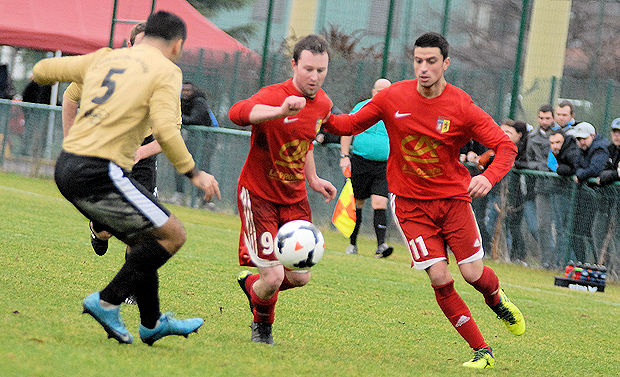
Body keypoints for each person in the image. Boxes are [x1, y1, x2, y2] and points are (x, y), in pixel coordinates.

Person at [323, 32, 524, 369]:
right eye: (418, 61)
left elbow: (506, 147)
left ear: (446, 63)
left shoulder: (461, 105)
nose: (423, 68)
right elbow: (348, 124)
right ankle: (482, 351)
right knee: (440, 278)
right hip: (410, 205)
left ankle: (495, 298)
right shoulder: (392, 97)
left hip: (453, 202)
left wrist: (487, 177)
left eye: (431, 61)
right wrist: (315, 106)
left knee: (473, 274)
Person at [32, 11, 221, 345]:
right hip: (99, 170)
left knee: (144, 241)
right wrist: (195, 173)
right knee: (173, 235)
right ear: (177, 45)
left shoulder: (107, 58)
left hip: (68, 166)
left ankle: (151, 323)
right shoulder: (167, 70)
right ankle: (107, 301)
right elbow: (166, 129)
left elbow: (43, 71)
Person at [228, 34, 337, 345]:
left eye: (321, 70)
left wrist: (313, 179)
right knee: (274, 277)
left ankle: (252, 288)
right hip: (259, 195)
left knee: (300, 276)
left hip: (294, 198)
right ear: (294, 65)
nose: (315, 77)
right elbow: (236, 113)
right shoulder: (274, 95)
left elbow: (305, 143)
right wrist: (279, 111)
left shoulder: (324, 104)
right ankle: (263, 329)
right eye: (308, 69)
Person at [62, 21, 162, 263]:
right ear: (129, 45)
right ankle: (99, 232)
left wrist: (142, 152)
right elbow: (70, 98)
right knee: (107, 226)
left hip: (141, 155)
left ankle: (131, 286)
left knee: (144, 225)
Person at [339, 78, 394, 258]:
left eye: (387, 92)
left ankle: (381, 246)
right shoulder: (361, 108)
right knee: (358, 203)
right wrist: (345, 156)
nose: (383, 95)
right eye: (379, 91)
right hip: (360, 163)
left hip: (383, 166)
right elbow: (347, 130)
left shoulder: (395, 112)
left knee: (380, 202)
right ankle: (352, 244)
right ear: (373, 92)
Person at [526, 104, 560, 268]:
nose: (544, 121)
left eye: (547, 118)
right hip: (541, 186)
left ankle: (561, 262)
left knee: (561, 227)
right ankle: (546, 261)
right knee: (542, 226)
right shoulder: (532, 137)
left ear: (553, 118)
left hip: (560, 187)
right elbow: (528, 160)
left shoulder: (561, 136)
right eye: (541, 118)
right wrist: (539, 166)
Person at [571, 122, 610, 262]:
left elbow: (595, 169)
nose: (581, 142)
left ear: (593, 135)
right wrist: (582, 173)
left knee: (594, 233)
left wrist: (581, 174)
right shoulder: (582, 149)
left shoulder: (600, 148)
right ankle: (582, 263)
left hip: (600, 198)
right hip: (586, 197)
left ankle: (597, 263)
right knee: (577, 231)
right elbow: (576, 166)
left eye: (584, 138)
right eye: (578, 139)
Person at [174, 80, 218, 203]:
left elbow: (194, 119)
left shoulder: (200, 102)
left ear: (194, 91)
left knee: (203, 166)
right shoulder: (182, 102)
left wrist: (177, 117)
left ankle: (202, 199)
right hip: (193, 139)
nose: (186, 93)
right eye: (184, 90)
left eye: (189, 90)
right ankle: (180, 195)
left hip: (207, 139)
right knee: (180, 164)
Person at [548, 128, 580, 265]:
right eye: (552, 143)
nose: (555, 146)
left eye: (558, 142)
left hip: (570, 195)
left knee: (567, 230)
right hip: (558, 193)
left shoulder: (571, 151)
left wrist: (560, 169)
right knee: (560, 229)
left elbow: (575, 168)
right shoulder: (555, 154)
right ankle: (560, 261)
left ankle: (568, 262)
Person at [596, 117, 620, 186]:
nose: (616, 135)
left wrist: (609, 176)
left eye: (619, 132)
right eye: (614, 132)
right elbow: (604, 169)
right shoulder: (611, 148)